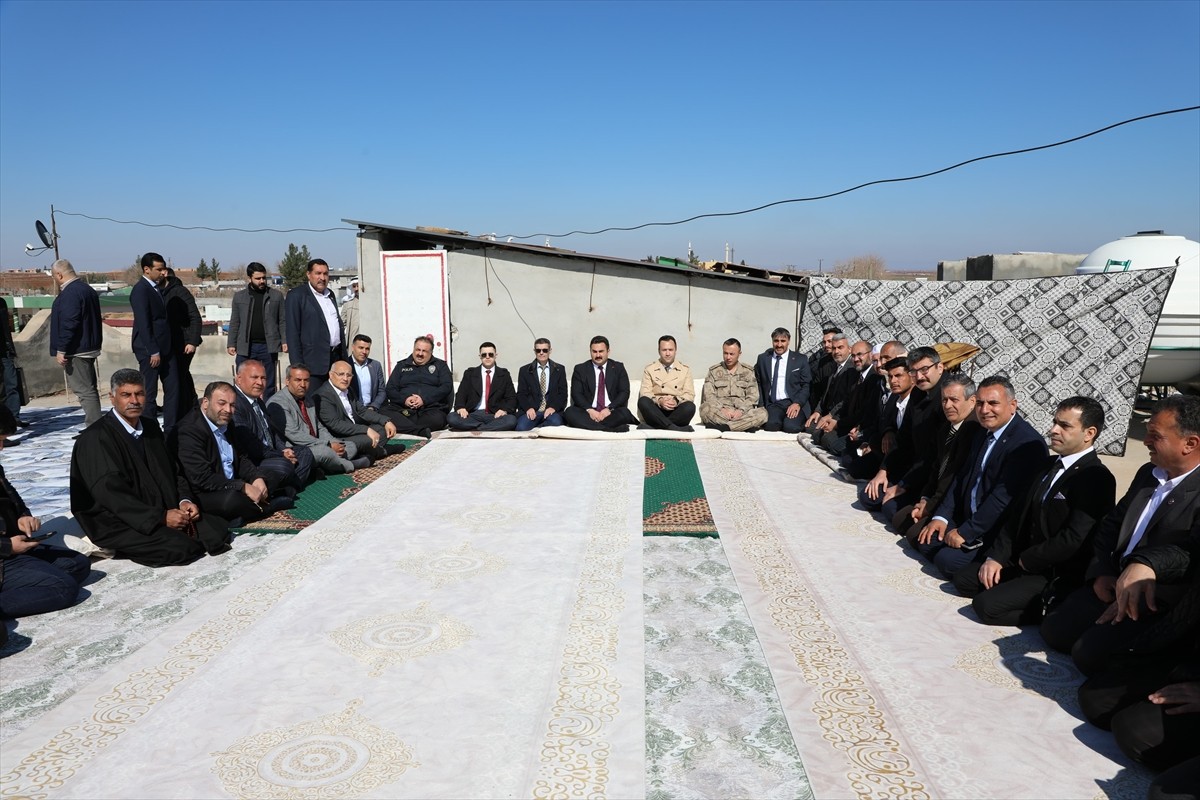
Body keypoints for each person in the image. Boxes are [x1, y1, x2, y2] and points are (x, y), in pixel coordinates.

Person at [1041, 394, 1200, 677]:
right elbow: (1111, 524)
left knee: (1088, 656)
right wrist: (1101, 572)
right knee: (1055, 630)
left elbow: (1189, 556)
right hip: (1113, 582)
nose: (1146, 441)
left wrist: (1145, 571)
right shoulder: (1147, 474)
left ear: (1190, 444)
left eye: (1155, 435)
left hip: (1154, 601)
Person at [952, 396, 1117, 626]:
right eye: (1055, 422)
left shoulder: (1096, 478)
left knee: (985, 606)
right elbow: (1017, 515)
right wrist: (997, 557)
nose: (1054, 430)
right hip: (1022, 559)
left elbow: (1074, 539)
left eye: (1065, 426)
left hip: (1051, 570)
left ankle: (1048, 610)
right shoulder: (1048, 465)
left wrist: (1027, 561)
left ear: (1089, 433)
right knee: (963, 579)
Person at [70, 368, 230, 566]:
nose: (134, 401)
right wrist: (161, 518)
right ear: (112, 398)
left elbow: (174, 470)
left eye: (139, 394)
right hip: (119, 520)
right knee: (181, 548)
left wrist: (183, 500)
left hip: (160, 508)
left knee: (217, 530)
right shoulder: (96, 439)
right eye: (126, 395)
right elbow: (112, 496)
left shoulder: (151, 428)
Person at [915, 375, 1047, 578]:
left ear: (1012, 405)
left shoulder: (1025, 444)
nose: (985, 410)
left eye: (993, 403)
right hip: (968, 515)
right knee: (922, 538)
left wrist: (966, 532)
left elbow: (1001, 500)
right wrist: (942, 517)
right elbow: (961, 478)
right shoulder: (982, 431)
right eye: (980, 403)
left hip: (994, 529)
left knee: (946, 561)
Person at [1, 407, 91, 635]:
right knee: (62, 588)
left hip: (14, 546)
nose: (1, 447)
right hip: (4, 554)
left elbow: (12, 498)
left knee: (78, 564)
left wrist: (23, 517)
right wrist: (8, 546)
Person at [170, 381, 293, 526]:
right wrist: (242, 487)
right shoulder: (189, 431)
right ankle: (268, 507)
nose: (228, 410)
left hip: (231, 482)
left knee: (272, 475)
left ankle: (242, 513)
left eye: (232, 405)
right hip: (206, 491)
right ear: (205, 403)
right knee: (231, 501)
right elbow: (201, 478)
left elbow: (241, 457)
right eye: (221, 403)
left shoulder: (226, 422)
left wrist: (255, 478)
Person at [893, 372, 980, 540]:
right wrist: (925, 498)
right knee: (898, 517)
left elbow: (952, 476)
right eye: (944, 400)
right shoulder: (946, 428)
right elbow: (936, 467)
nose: (947, 406)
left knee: (915, 535)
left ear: (972, 401)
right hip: (935, 495)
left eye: (954, 400)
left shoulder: (973, 430)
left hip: (953, 503)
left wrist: (931, 507)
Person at [267, 364, 369, 475]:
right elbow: (294, 435)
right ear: (287, 381)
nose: (302, 385)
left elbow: (319, 427)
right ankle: (349, 465)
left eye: (306, 380)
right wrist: (328, 445)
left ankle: (323, 467)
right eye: (298, 380)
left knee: (349, 446)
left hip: (316, 443)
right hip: (296, 448)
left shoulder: (308, 400)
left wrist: (333, 442)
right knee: (324, 452)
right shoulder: (278, 403)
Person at [230, 360, 312, 493]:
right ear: (239, 379)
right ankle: (285, 487)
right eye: (254, 377)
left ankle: (289, 487)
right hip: (254, 459)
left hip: (271, 453)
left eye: (263, 378)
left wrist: (284, 450)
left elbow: (272, 433)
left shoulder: (258, 401)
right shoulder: (235, 403)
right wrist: (280, 455)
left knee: (305, 453)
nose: (259, 382)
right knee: (284, 466)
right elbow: (250, 445)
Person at [49, 260, 103, 427]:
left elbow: (69, 323)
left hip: (77, 349)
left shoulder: (70, 293)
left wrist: (61, 349)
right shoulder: (87, 289)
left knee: (84, 391)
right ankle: (95, 427)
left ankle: (94, 429)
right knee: (89, 389)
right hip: (87, 346)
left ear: (59, 275)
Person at [859, 357, 917, 510]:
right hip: (895, 460)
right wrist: (889, 431)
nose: (893, 381)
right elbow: (885, 422)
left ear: (912, 377)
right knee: (868, 496)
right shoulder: (895, 398)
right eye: (890, 376)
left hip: (914, 468)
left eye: (898, 376)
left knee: (890, 508)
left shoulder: (918, 403)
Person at [315, 360, 405, 459]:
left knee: (383, 429)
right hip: (339, 438)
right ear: (331, 375)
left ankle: (366, 453)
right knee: (367, 439)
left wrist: (385, 421)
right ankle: (382, 451)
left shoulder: (348, 390)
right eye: (341, 374)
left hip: (355, 431)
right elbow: (336, 425)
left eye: (349, 375)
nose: (345, 378)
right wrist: (366, 429)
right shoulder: (323, 395)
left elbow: (362, 411)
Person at [130, 252, 179, 432]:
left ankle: (171, 428)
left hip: (166, 349)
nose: (163, 273)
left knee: (173, 388)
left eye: (164, 269)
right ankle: (149, 430)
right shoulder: (140, 290)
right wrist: (153, 350)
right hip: (150, 351)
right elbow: (144, 323)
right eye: (159, 269)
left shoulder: (156, 288)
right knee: (149, 393)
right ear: (147, 269)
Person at [227, 262, 286, 398]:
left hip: (268, 347)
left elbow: (283, 320)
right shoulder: (239, 297)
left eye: (264, 278)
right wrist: (231, 343)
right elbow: (235, 321)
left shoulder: (276, 296)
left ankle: (267, 413)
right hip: (245, 347)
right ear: (250, 278)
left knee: (268, 384)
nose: (262, 281)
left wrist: (284, 340)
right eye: (258, 278)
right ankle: (244, 413)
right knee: (243, 382)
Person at [284, 258, 345, 393]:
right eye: (318, 273)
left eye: (325, 274)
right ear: (308, 274)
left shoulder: (331, 295)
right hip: (312, 364)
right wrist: (298, 367)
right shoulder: (296, 296)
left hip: (334, 360)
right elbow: (293, 333)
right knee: (313, 404)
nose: (322, 278)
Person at [380, 336, 453, 437]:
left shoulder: (440, 366)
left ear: (431, 352)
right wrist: (405, 399)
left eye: (424, 351)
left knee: (438, 420)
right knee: (382, 413)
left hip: (430, 409)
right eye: (418, 350)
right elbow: (390, 388)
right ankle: (417, 430)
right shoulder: (402, 365)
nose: (420, 354)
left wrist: (424, 399)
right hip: (403, 410)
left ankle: (406, 427)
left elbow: (446, 387)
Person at [563, 335, 637, 432]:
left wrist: (608, 409)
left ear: (608, 351)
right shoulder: (580, 369)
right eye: (594, 352)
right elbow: (576, 394)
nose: (598, 355)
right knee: (570, 412)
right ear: (590, 352)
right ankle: (609, 429)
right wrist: (590, 410)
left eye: (601, 351)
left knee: (625, 413)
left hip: (611, 413)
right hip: (589, 413)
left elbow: (624, 392)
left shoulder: (618, 368)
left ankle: (594, 427)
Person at [813, 340, 874, 455]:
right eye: (854, 356)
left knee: (835, 446)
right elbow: (846, 402)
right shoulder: (856, 375)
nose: (856, 359)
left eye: (860, 355)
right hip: (848, 422)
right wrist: (833, 419)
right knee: (818, 435)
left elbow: (864, 412)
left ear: (870, 354)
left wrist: (838, 424)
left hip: (862, 428)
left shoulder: (874, 378)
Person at [700, 339, 768, 432]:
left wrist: (740, 411)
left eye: (732, 354)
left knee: (762, 413)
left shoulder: (748, 371)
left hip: (742, 413)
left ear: (739, 354)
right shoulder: (714, 371)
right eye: (725, 353)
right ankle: (743, 426)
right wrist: (722, 409)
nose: (728, 357)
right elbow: (709, 395)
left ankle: (726, 427)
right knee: (705, 409)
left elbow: (752, 397)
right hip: (720, 413)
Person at [447, 342, 518, 432]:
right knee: (452, 417)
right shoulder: (470, 373)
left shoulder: (504, 374)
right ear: (480, 356)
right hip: (473, 414)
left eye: (491, 354)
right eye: (484, 355)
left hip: (495, 415)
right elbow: (461, 393)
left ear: (496, 355)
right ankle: (487, 427)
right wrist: (461, 407)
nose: (487, 357)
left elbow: (511, 397)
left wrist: (504, 410)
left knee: (511, 420)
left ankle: (476, 428)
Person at [162, 267, 202, 421]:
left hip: (184, 344)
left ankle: (187, 408)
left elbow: (195, 318)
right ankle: (189, 406)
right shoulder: (161, 293)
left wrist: (192, 341)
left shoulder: (180, 292)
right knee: (181, 377)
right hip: (171, 343)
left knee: (180, 376)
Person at [755, 327, 811, 433]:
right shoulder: (763, 359)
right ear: (772, 341)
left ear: (788, 341)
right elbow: (759, 383)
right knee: (771, 426)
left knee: (791, 427)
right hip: (773, 404)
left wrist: (797, 403)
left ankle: (792, 421)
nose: (779, 345)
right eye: (776, 341)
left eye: (783, 341)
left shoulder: (800, 359)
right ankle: (780, 420)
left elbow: (806, 385)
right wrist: (761, 406)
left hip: (793, 402)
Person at [638, 335, 696, 432]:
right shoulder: (650, 369)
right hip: (656, 410)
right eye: (664, 350)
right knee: (643, 401)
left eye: (670, 350)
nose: (668, 353)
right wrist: (660, 400)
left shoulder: (685, 370)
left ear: (675, 350)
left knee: (690, 407)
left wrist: (676, 400)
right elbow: (645, 392)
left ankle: (655, 427)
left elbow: (689, 394)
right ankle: (673, 428)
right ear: (659, 351)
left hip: (676, 410)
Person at [804, 332, 853, 435]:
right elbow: (826, 393)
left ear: (849, 349)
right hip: (828, 411)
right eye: (834, 348)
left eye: (840, 348)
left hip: (841, 415)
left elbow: (847, 399)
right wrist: (817, 411)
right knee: (809, 427)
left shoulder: (852, 369)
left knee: (823, 437)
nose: (836, 351)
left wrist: (831, 415)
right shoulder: (835, 366)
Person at [515, 338, 567, 432]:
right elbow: (521, 393)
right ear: (534, 351)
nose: (541, 353)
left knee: (556, 422)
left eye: (545, 350)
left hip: (551, 411)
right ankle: (542, 427)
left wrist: (553, 407)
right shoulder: (525, 370)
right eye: (538, 350)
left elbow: (563, 394)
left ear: (550, 351)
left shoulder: (559, 369)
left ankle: (537, 428)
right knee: (521, 427)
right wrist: (528, 408)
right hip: (533, 411)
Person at [348, 334, 386, 411]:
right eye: (361, 348)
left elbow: (381, 391)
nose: (364, 352)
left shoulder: (375, 365)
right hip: (352, 410)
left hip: (372, 409)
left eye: (367, 349)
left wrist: (373, 407)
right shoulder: (345, 364)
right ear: (353, 347)